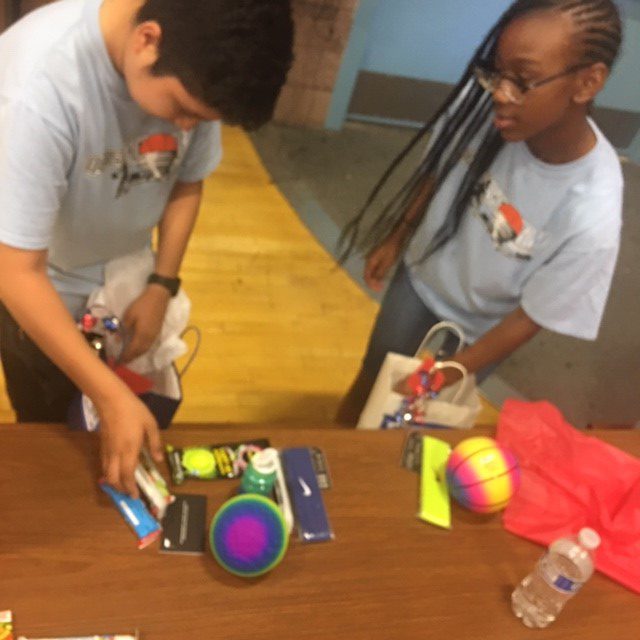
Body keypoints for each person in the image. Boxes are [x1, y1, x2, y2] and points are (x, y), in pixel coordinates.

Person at [0, 0, 293, 493]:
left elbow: (187, 182)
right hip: (40, 301)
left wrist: (161, 284)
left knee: (133, 423)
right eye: (181, 111)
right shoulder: (36, 91)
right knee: (55, 447)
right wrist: (108, 395)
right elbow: (14, 270)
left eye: (200, 120)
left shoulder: (197, 61)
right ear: (146, 40)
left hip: (128, 282)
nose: (185, 128)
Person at [336, 0, 623, 425]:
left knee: (417, 420)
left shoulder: (591, 212)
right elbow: (437, 170)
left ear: (588, 82)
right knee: (373, 378)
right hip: (419, 281)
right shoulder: (485, 109)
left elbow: (532, 316)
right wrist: (399, 235)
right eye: (497, 74)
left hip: (481, 327)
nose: (500, 93)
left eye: (523, 81)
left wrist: (448, 372)